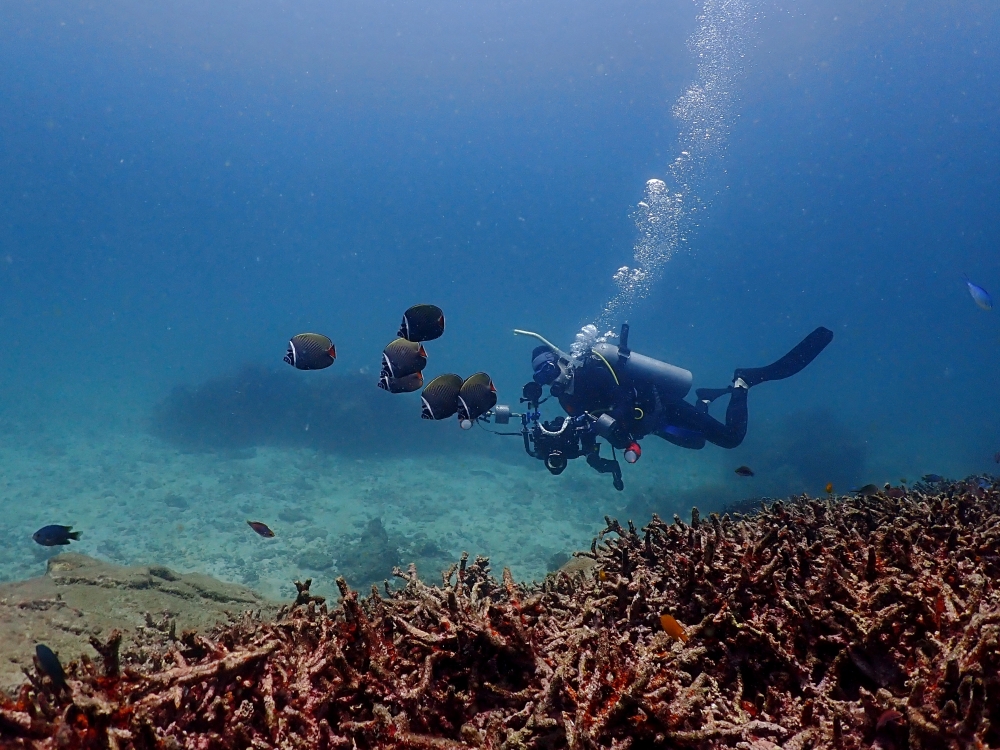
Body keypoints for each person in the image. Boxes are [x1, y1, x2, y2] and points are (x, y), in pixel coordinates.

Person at [520, 324, 833, 489]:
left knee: (730, 439)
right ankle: (706, 399)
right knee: (696, 443)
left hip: (661, 406)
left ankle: (743, 381)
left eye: (548, 370)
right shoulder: (566, 399)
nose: (548, 380)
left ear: (561, 361)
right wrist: (596, 458)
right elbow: (587, 429)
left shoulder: (592, 369)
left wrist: (610, 421)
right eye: (540, 377)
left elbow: (623, 399)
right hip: (650, 425)